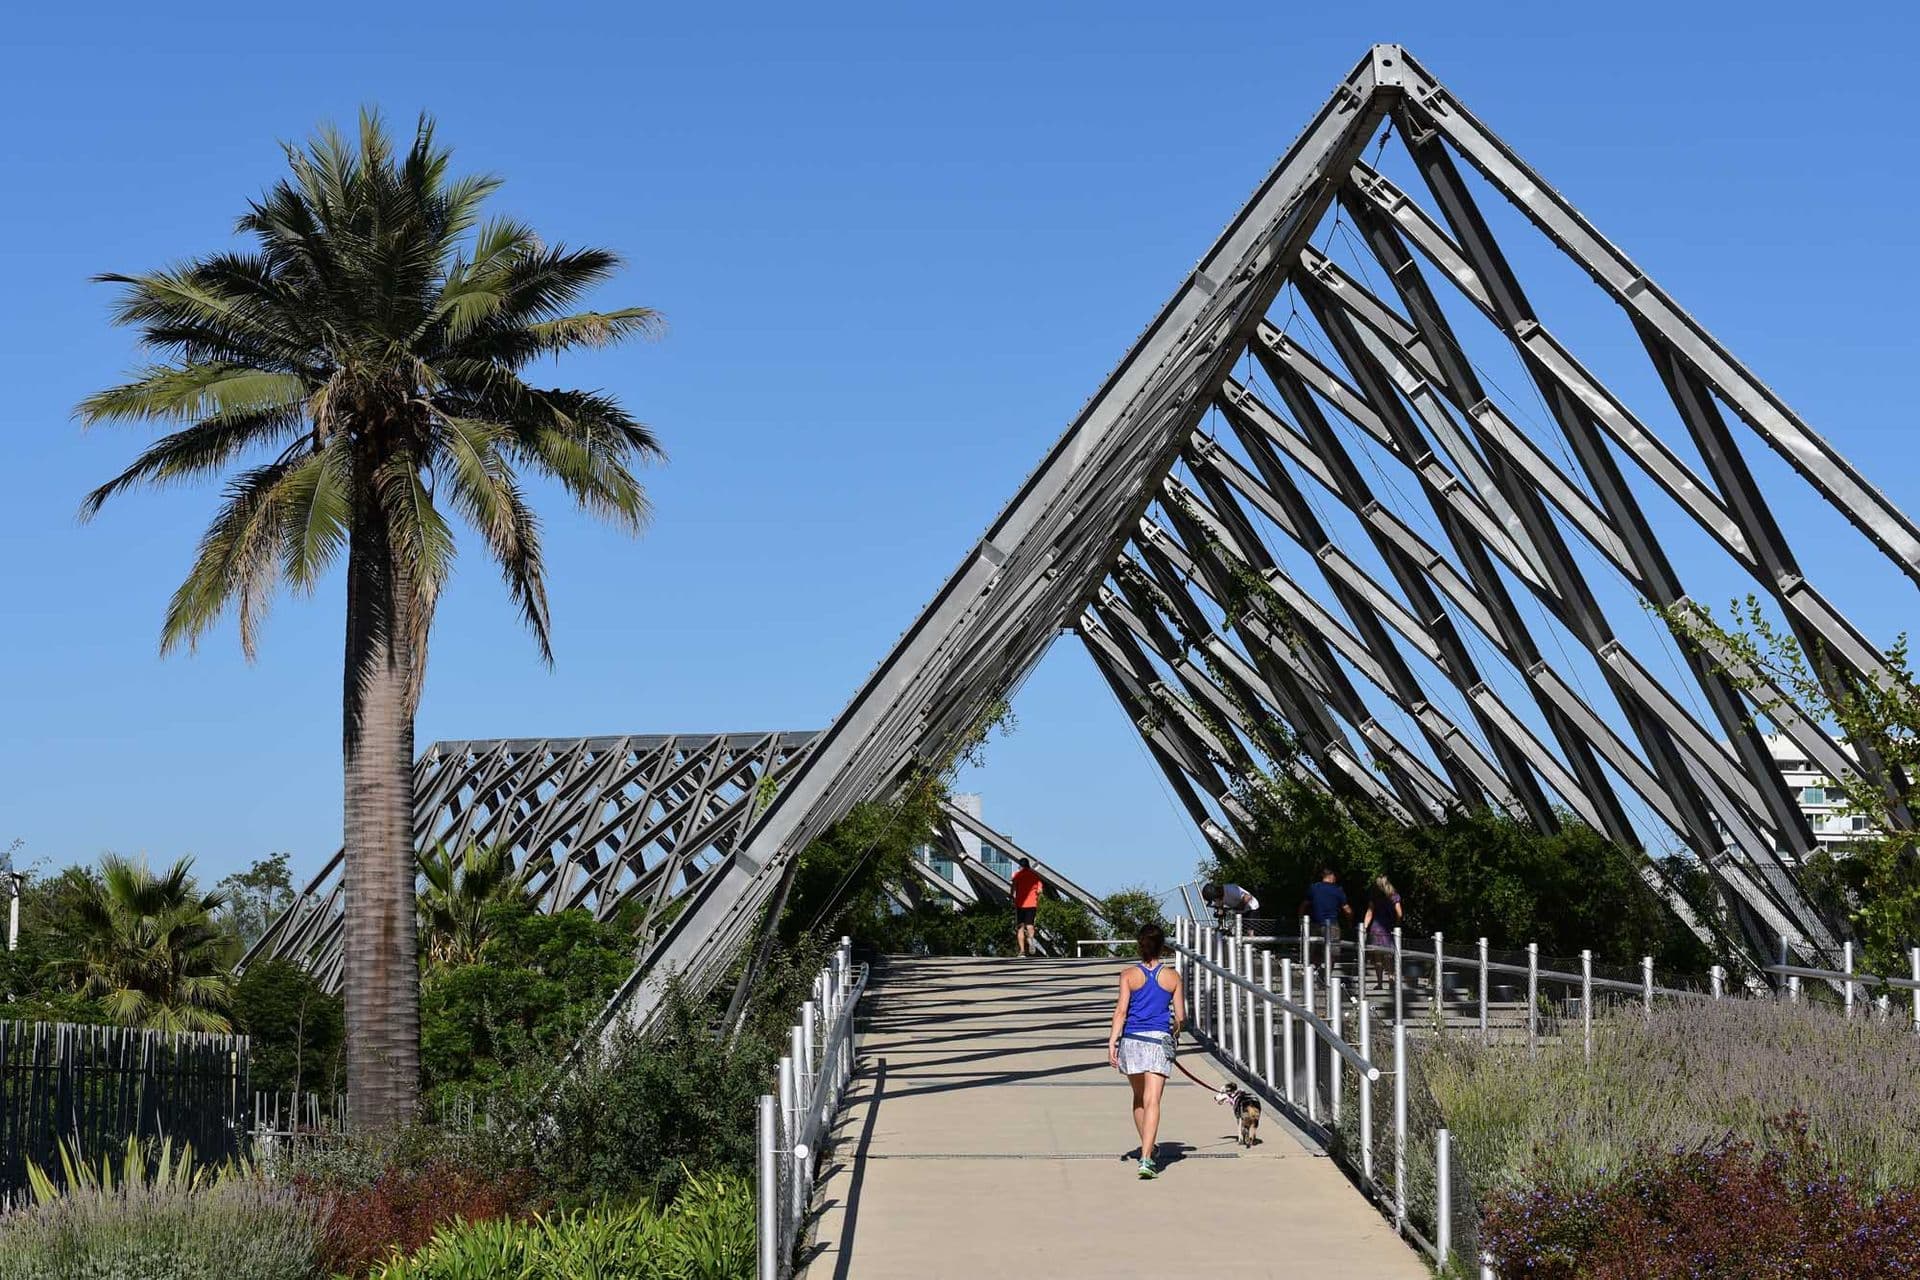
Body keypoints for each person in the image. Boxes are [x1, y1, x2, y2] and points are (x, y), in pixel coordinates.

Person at [1106, 923, 1186, 1180]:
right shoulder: (1172, 977)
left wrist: (1112, 1041)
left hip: (1132, 1040)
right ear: (1162, 946)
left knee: (1139, 1098)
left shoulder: (1128, 975)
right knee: (1153, 1100)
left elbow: (1121, 1011)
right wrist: (1175, 1031)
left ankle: (1147, 1149)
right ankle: (1147, 1157)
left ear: (1140, 946)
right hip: (1158, 1041)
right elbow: (1180, 1017)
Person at [1299, 868, 1351, 986]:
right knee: (1333, 953)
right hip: (1332, 925)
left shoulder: (1313, 888)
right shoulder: (1337, 890)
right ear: (1331, 876)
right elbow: (1347, 910)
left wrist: (1301, 920)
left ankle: (1314, 973)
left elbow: (1304, 905)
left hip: (1315, 924)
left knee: (1314, 950)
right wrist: (1350, 922)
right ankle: (1324, 975)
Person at [1361, 876, 1402, 991]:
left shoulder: (1375, 897)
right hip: (1388, 928)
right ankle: (1391, 980)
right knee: (1389, 956)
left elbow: (1369, 912)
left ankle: (1379, 983)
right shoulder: (1394, 896)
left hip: (1376, 928)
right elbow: (1399, 913)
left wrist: (1364, 927)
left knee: (1378, 958)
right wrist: (1397, 925)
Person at [1010, 857, 1043, 957]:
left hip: (1020, 904)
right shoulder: (1035, 876)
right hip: (1032, 904)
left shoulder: (1017, 875)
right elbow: (1040, 890)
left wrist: (1012, 896)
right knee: (1030, 925)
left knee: (1020, 927)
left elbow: (1013, 888)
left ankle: (1022, 951)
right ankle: (1031, 939)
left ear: (1020, 866)